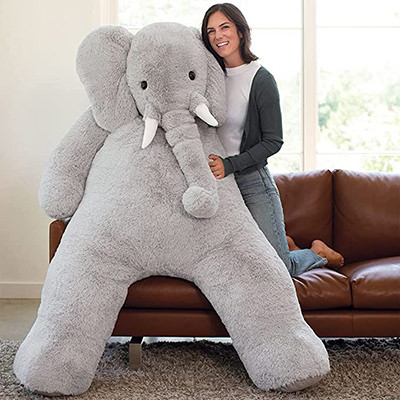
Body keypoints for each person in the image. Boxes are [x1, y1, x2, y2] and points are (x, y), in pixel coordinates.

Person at [201, 3, 344, 277]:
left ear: (241, 32)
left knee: (279, 266)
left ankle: (315, 254)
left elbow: (273, 141)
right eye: (211, 31)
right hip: (218, 185)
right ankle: (283, 243)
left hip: (252, 181)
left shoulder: (261, 78)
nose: (218, 35)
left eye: (225, 27)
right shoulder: (211, 78)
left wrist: (229, 165)